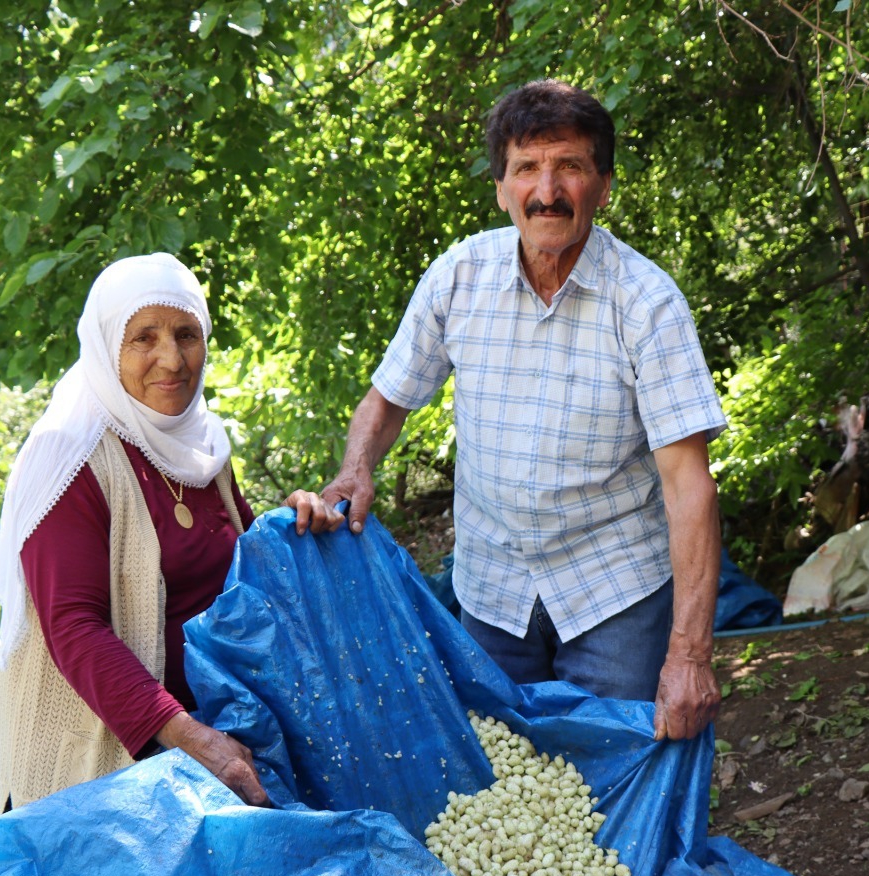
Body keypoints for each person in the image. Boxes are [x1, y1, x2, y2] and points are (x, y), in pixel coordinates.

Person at [290, 80, 725, 741]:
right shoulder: (460, 276)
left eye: (570, 167)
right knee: (508, 787)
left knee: (615, 783)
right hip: (492, 590)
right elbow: (388, 398)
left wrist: (690, 655)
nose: (546, 191)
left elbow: (689, 487)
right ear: (501, 187)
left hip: (615, 595)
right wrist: (356, 470)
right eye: (527, 168)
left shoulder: (647, 304)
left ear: (603, 185)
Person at [0, 252, 337, 813]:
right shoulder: (71, 455)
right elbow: (74, 628)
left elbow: (242, 571)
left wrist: (294, 525)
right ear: (108, 347)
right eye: (143, 338)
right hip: (100, 769)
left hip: (207, 736)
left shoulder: (200, 447)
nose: (171, 359)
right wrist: (189, 736)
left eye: (186, 334)